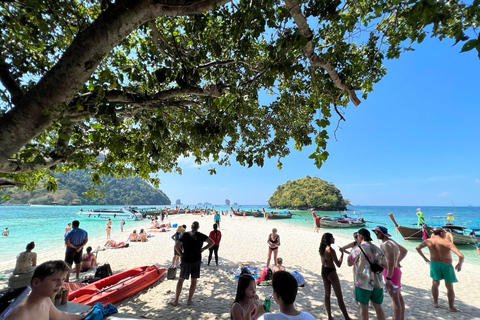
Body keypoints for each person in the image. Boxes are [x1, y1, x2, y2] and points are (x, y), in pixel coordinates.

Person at [7, 260, 93, 320]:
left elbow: (60, 316)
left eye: (63, 280)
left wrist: (83, 315)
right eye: (55, 280)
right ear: (36, 283)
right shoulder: (20, 315)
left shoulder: (46, 301)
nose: (60, 284)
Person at [416, 227, 464, 312]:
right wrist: (459, 264)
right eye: (445, 233)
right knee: (449, 287)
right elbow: (461, 256)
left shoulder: (428, 241)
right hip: (446, 265)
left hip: (434, 264)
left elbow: (418, 248)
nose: (446, 234)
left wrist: (425, 258)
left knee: (435, 283)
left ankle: (435, 303)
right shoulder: (447, 243)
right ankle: (451, 307)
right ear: (442, 233)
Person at [347, 228, 387, 320]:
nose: (357, 238)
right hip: (378, 282)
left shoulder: (358, 249)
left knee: (363, 308)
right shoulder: (378, 248)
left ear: (361, 236)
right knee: (378, 307)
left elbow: (349, 263)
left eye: (357, 236)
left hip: (363, 283)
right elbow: (386, 265)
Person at [172, 221, 214, 306]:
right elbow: (212, 242)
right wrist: (203, 249)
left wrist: (181, 254)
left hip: (186, 259)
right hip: (196, 260)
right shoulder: (201, 235)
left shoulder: (186, 235)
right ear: (198, 227)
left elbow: (176, 246)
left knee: (181, 280)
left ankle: (176, 300)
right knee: (194, 281)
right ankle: (189, 300)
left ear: (191, 227)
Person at [372, 226, 408, 320]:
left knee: (394, 299)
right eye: (375, 232)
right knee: (398, 296)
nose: (376, 234)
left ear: (383, 234)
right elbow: (404, 251)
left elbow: (391, 263)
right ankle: (401, 318)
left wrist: (388, 278)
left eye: (378, 233)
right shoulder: (392, 241)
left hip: (391, 272)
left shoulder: (386, 244)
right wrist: (398, 261)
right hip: (396, 271)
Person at [319, 233, 351, 320]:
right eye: (332, 238)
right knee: (339, 296)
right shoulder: (331, 250)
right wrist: (342, 254)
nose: (334, 239)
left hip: (324, 270)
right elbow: (338, 264)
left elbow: (324, 261)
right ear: (329, 239)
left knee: (327, 294)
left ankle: (329, 316)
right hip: (331, 272)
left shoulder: (321, 249)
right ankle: (347, 317)